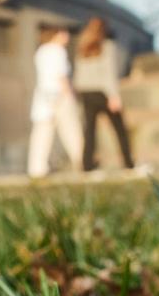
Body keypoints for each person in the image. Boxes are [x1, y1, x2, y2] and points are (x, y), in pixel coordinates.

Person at [73, 16, 135, 172]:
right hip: (102, 92)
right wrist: (114, 96)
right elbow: (109, 74)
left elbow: (78, 74)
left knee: (90, 131)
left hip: (86, 93)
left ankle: (87, 165)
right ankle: (128, 164)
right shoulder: (107, 46)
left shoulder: (83, 46)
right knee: (120, 129)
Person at [27, 24, 84, 178]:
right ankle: (82, 162)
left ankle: (37, 168)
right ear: (57, 34)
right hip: (59, 96)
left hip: (43, 96)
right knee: (71, 131)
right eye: (64, 33)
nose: (67, 37)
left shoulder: (41, 51)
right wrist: (70, 95)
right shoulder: (58, 51)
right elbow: (61, 77)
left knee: (42, 133)